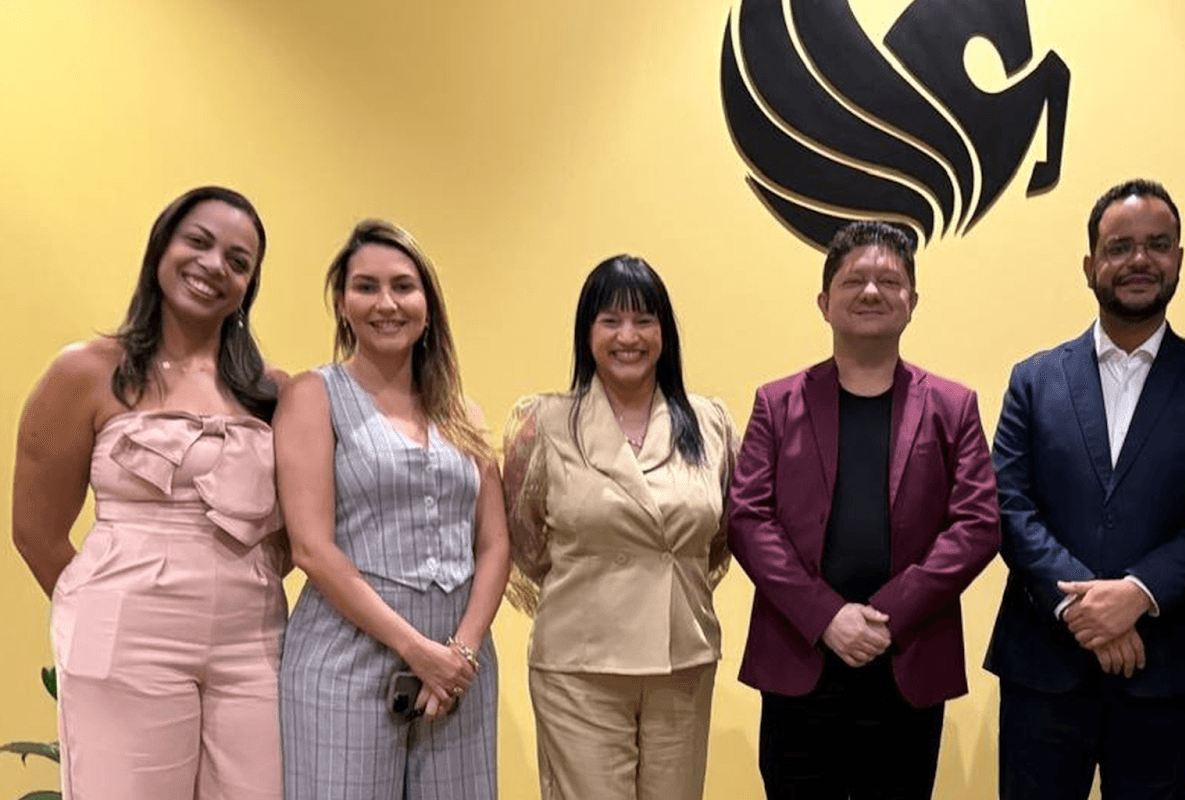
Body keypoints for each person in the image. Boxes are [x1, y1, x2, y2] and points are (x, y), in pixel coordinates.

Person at [983, 179, 1185, 800]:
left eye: (1158, 244)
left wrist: (1137, 594)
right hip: (1044, 664)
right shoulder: (1034, 379)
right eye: (1120, 246)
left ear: (1179, 260)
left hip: (1167, 665)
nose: (1139, 260)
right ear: (1090, 266)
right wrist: (1085, 611)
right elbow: (1010, 504)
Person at [12, 186, 287, 799]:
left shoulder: (273, 392)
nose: (215, 265)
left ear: (249, 285)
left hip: (255, 647)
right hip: (124, 635)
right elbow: (35, 531)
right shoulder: (84, 372)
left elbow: (299, 532)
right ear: (161, 247)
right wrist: (104, 604)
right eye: (199, 242)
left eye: (238, 261)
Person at [728, 221, 1001, 800]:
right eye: (855, 280)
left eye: (889, 280)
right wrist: (828, 616)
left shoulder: (953, 407)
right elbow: (748, 519)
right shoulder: (777, 404)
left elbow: (977, 525)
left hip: (907, 661)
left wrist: (884, 617)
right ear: (825, 302)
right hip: (801, 662)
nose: (872, 292)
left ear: (912, 302)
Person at [274, 219, 509, 799]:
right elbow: (310, 547)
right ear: (341, 303)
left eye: (403, 286)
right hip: (346, 660)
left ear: (428, 303)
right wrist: (416, 651)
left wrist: (461, 653)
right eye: (366, 287)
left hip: (458, 673)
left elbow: (495, 544)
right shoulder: (313, 395)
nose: (387, 303)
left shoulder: (462, 413)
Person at [502, 255, 738, 800]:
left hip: (684, 658)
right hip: (579, 661)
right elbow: (526, 540)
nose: (627, 336)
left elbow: (720, 535)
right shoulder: (544, 422)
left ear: (665, 332)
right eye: (610, 320)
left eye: (644, 320)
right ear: (587, 333)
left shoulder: (709, 421)